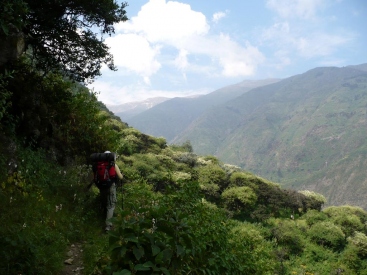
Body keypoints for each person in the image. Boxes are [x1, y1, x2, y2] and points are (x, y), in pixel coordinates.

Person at [91, 150, 123, 232]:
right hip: (110, 186)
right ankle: (108, 226)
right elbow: (120, 177)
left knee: (104, 202)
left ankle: (101, 217)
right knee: (111, 205)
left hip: (101, 186)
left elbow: (94, 177)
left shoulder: (97, 165)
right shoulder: (112, 164)